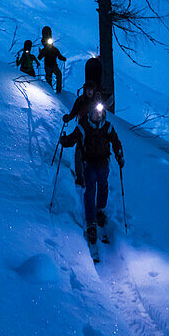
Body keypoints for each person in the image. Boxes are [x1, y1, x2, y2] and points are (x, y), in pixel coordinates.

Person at [60, 101, 124, 244]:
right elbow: (73, 139)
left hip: (103, 163)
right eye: (95, 113)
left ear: (103, 114)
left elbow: (116, 141)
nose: (97, 116)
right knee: (90, 190)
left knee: (103, 186)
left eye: (100, 113)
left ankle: (100, 210)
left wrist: (119, 155)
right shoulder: (84, 126)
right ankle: (90, 221)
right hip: (88, 163)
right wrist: (64, 141)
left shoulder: (107, 127)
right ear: (91, 114)